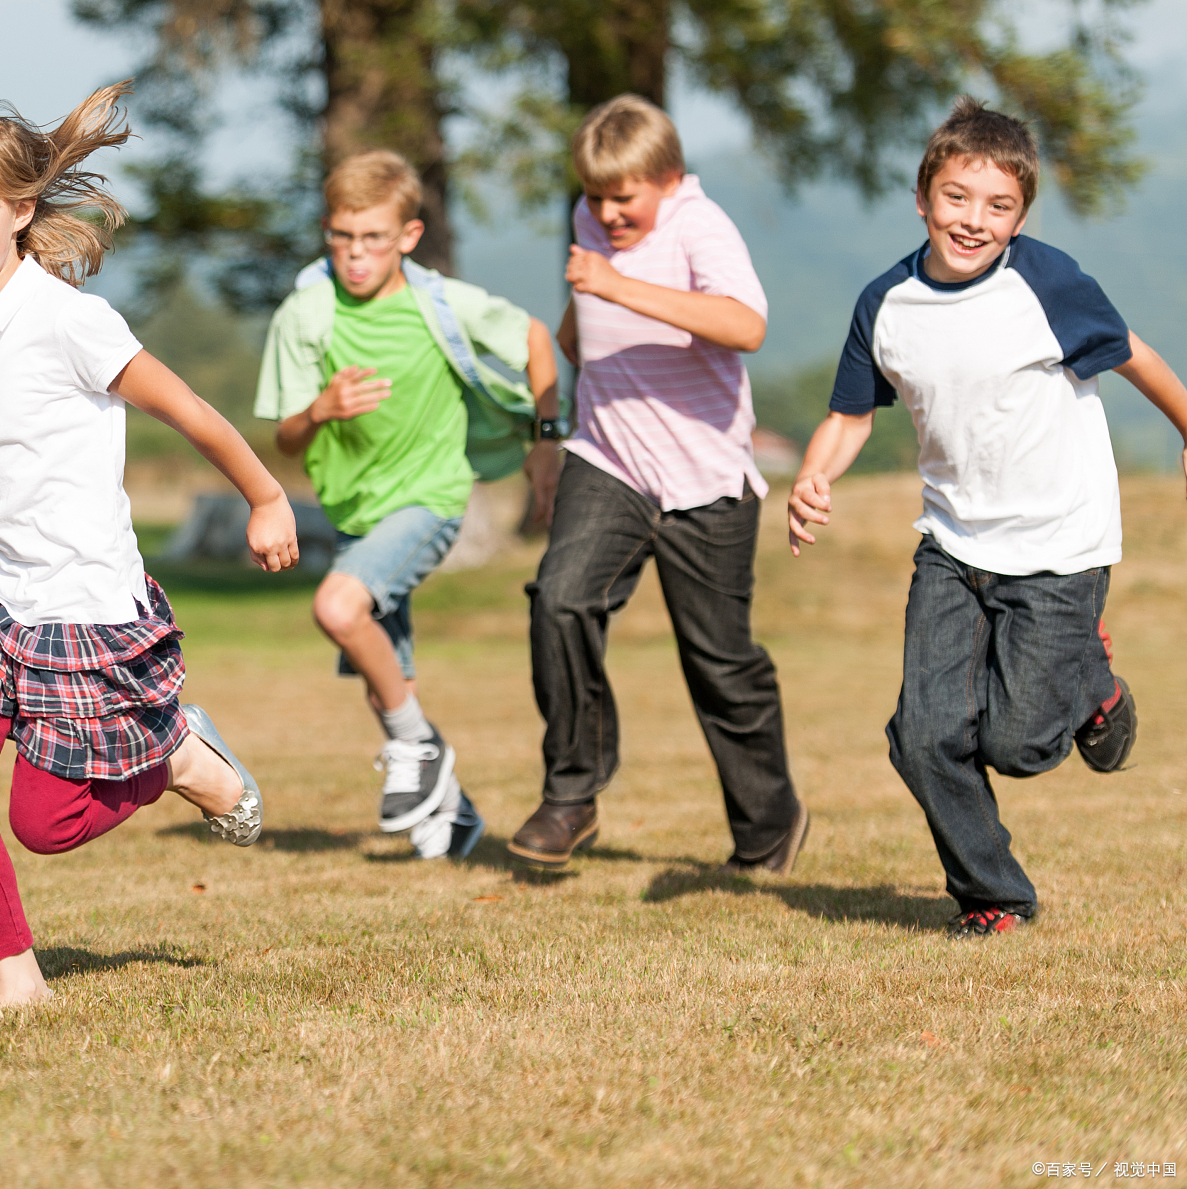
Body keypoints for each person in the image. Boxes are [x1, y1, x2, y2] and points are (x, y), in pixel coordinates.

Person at [0, 83, 300, 1006]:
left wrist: (267, 496)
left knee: (45, 822)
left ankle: (172, 753)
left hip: (85, 605)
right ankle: (17, 978)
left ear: (20, 210)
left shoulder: (72, 321)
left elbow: (192, 411)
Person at [788, 96, 1187, 937]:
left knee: (1015, 743)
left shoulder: (1044, 282)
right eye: (958, 198)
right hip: (952, 544)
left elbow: (1132, 353)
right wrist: (813, 476)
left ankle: (1092, 684)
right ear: (924, 195)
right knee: (923, 736)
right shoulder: (885, 303)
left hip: (1061, 542)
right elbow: (853, 414)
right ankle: (994, 895)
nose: (974, 221)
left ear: (1021, 215)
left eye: (998, 206)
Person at [509, 94, 807, 874]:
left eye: (624, 198)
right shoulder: (590, 217)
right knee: (561, 599)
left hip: (705, 475)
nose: (607, 212)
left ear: (669, 179)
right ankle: (571, 794)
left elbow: (747, 325)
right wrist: (549, 426)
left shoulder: (698, 225)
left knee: (718, 660)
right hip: (607, 459)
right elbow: (579, 317)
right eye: (596, 196)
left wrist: (616, 287)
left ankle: (769, 822)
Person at [256, 150, 560, 860]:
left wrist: (548, 439)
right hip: (357, 513)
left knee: (337, 608)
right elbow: (286, 436)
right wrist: (322, 409)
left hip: (432, 498)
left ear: (410, 236)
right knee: (386, 678)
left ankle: (421, 750)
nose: (355, 255)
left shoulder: (443, 303)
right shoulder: (308, 312)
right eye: (341, 237)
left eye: (373, 239)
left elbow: (536, 338)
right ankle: (451, 816)